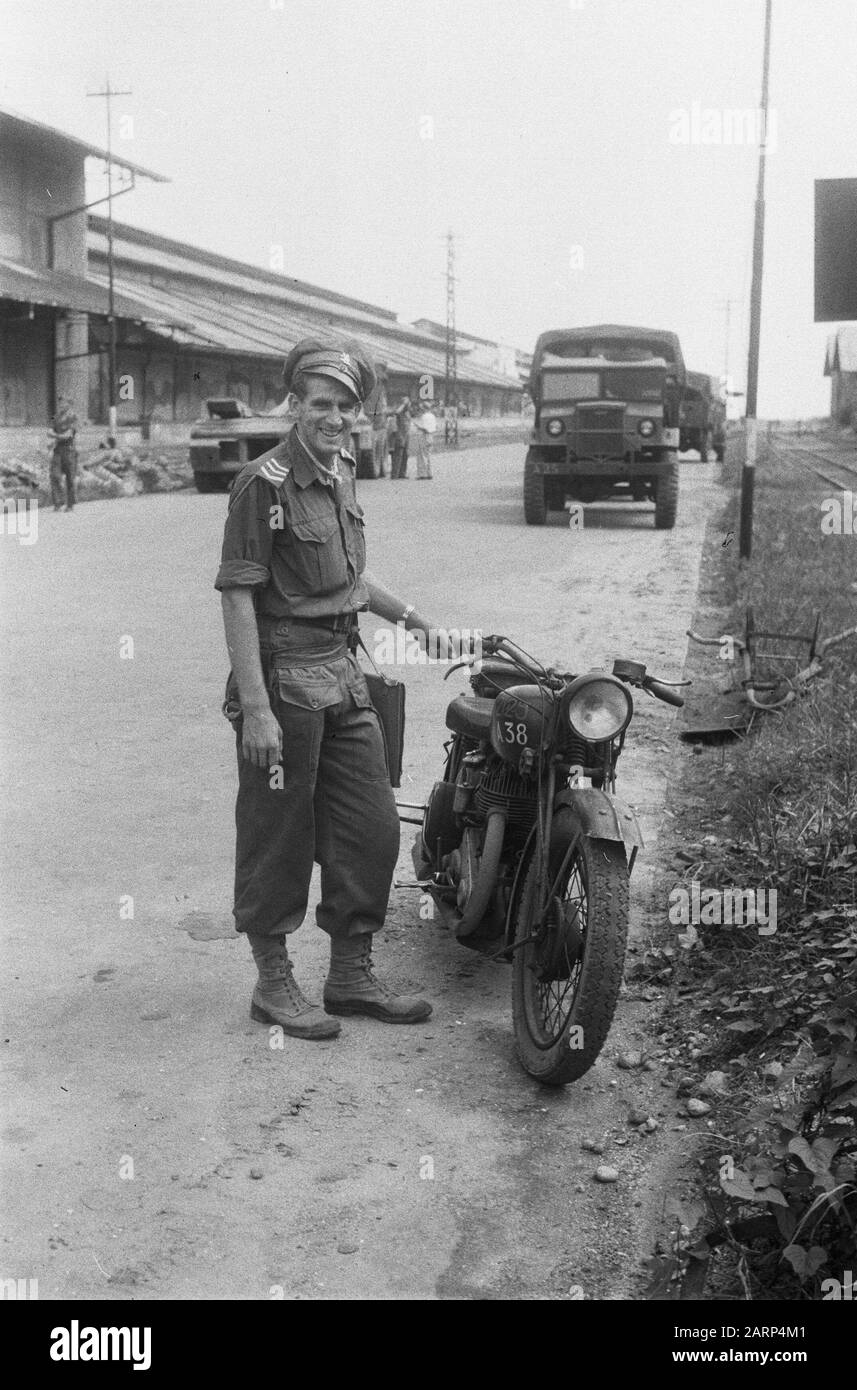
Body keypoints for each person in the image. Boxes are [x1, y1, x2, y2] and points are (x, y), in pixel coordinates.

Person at [215, 335, 462, 1042]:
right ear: (294, 404)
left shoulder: (340, 470)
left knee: (371, 828)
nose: (332, 416)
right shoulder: (260, 486)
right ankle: (272, 982)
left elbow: (348, 577)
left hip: (343, 671)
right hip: (284, 681)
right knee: (278, 834)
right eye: (319, 403)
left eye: (344, 406)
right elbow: (237, 597)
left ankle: (350, 974)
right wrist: (256, 709)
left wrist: (414, 621)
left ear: (358, 413)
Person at [48, 396, 79, 511]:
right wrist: (56, 436)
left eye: (63, 402)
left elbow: (68, 435)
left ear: (69, 404)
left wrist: (55, 436)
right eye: (60, 402)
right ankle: (58, 502)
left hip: (69, 450)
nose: (60, 405)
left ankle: (70, 504)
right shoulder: (55, 417)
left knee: (70, 477)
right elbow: (49, 430)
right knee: (54, 475)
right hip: (58, 449)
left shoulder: (73, 417)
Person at [412, 401, 437, 479]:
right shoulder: (432, 416)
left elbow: (424, 428)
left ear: (424, 408)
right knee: (428, 455)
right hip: (431, 436)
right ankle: (429, 473)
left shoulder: (424, 416)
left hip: (424, 436)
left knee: (422, 455)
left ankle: (422, 474)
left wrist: (417, 426)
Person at [370, 377, 389, 478]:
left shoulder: (379, 393)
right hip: (377, 423)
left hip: (378, 424)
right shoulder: (378, 392)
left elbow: (382, 408)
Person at [390, 395, 411, 479]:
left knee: (405, 455)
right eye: (407, 404)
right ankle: (395, 474)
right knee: (398, 455)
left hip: (406, 436)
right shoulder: (400, 412)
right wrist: (403, 404)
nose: (409, 405)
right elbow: (397, 412)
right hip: (400, 436)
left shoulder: (407, 413)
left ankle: (402, 473)